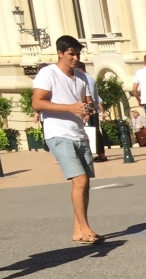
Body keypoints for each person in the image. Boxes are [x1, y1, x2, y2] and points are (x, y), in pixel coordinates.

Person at [31, 35, 104, 244]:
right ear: (60, 53)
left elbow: (87, 102)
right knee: (79, 180)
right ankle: (85, 228)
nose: (75, 58)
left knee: (84, 183)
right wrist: (69, 108)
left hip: (79, 132)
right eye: (71, 54)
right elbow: (37, 103)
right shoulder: (48, 74)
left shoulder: (81, 77)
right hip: (58, 132)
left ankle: (78, 230)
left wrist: (87, 109)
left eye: (78, 54)